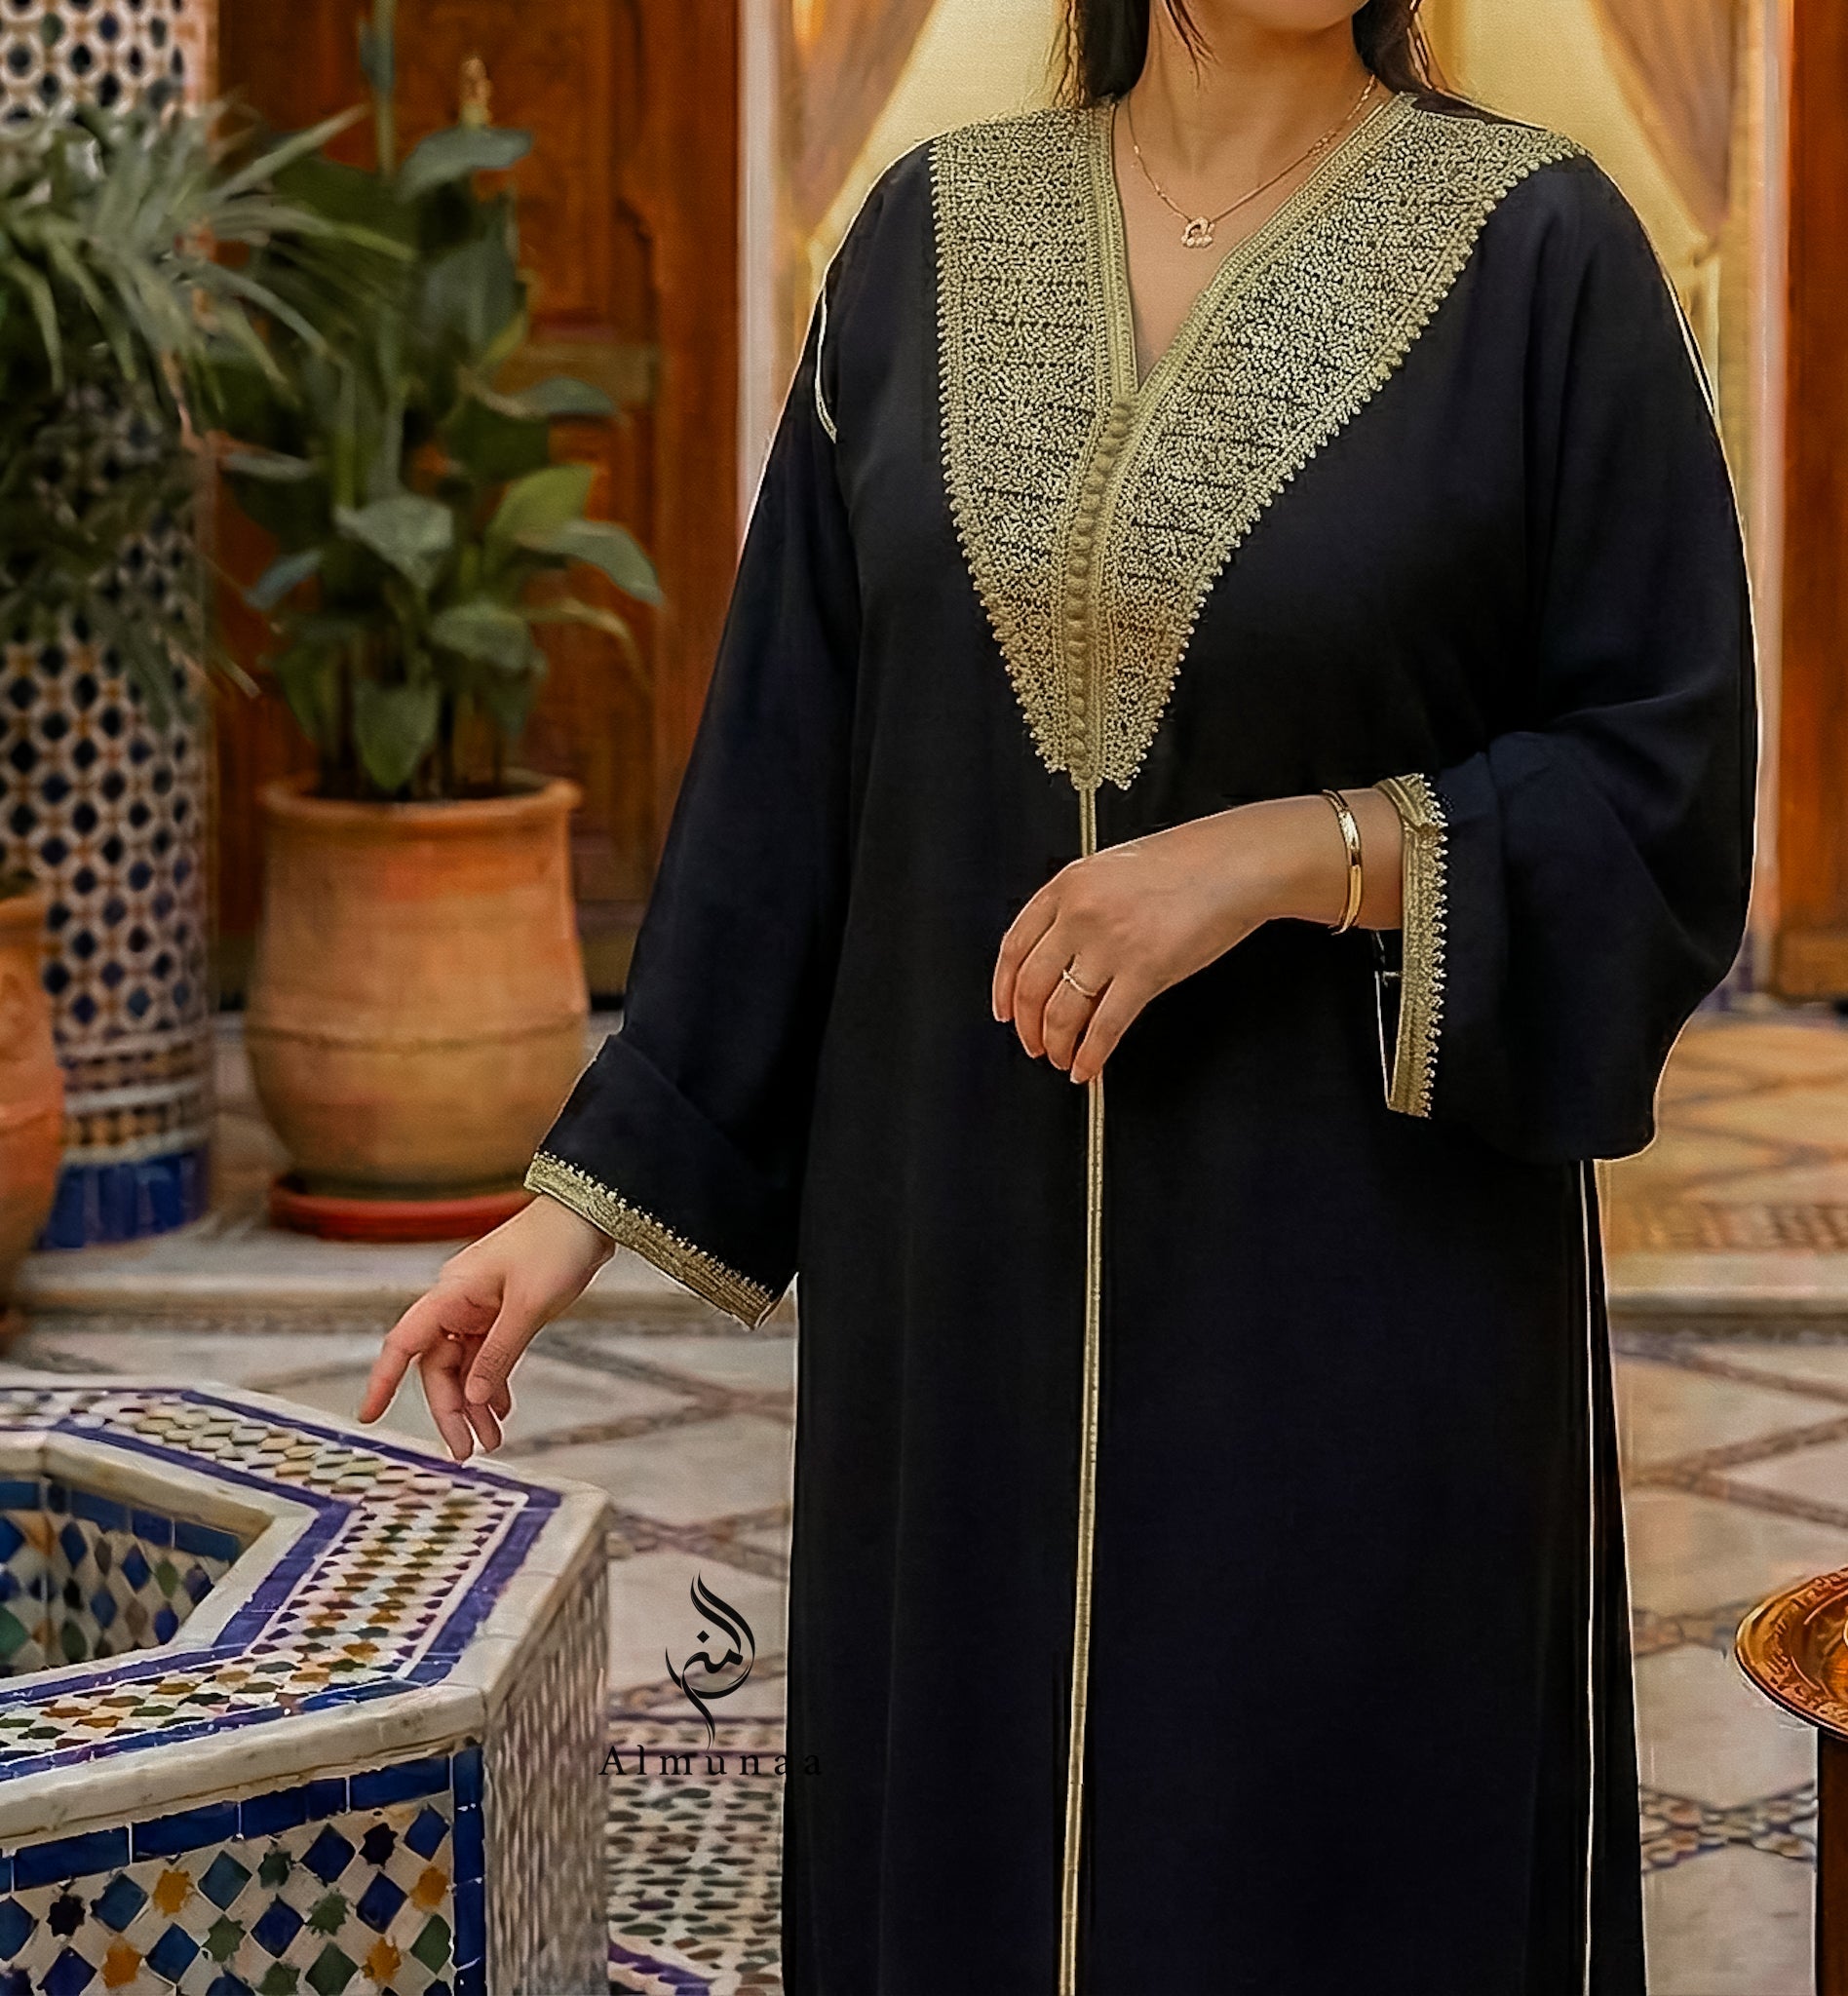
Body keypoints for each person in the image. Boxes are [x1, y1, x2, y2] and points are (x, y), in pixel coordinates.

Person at [361, 0, 1756, 1987]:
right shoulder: (923, 245)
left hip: (1360, 1309)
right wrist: (573, 1209)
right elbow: (790, 771)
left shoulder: (1542, 255)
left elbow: (1661, 784)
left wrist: (1297, 851)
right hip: (960, 1303)